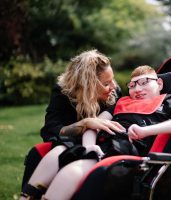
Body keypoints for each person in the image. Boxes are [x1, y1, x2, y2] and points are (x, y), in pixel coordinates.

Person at [20, 49, 125, 199]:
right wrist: (85, 123)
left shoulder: (113, 94)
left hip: (99, 143)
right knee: (47, 153)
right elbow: (51, 130)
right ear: (87, 84)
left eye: (112, 80)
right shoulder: (63, 93)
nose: (113, 86)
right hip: (69, 142)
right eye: (106, 83)